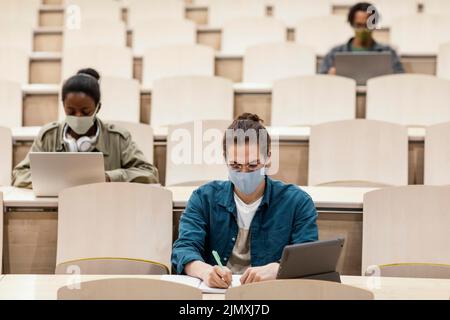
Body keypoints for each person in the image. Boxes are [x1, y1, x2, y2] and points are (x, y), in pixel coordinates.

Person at [172, 113, 318, 288]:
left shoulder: (297, 202)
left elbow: (307, 257)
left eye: (253, 165)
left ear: (268, 157)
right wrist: (204, 271)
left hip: (272, 293)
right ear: (225, 159)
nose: (244, 173)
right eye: (235, 166)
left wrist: (277, 268)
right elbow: (183, 249)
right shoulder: (203, 198)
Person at [12, 68, 159, 188]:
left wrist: (108, 177)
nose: (78, 116)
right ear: (63, 106)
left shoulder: (117, 137)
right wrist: (55, 181)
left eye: (85, 111)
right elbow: (19, 174)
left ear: (98, 108)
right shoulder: (48, 135)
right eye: (70, 111)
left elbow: (149, 173)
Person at [319, 2, 404, 75]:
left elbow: (399, 80)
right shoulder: (335, 53)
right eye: (359, 25)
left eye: (367, 25)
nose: (363, 29)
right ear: (351, 24)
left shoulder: (388, 53)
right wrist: (330, 77)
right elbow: (321, 81)